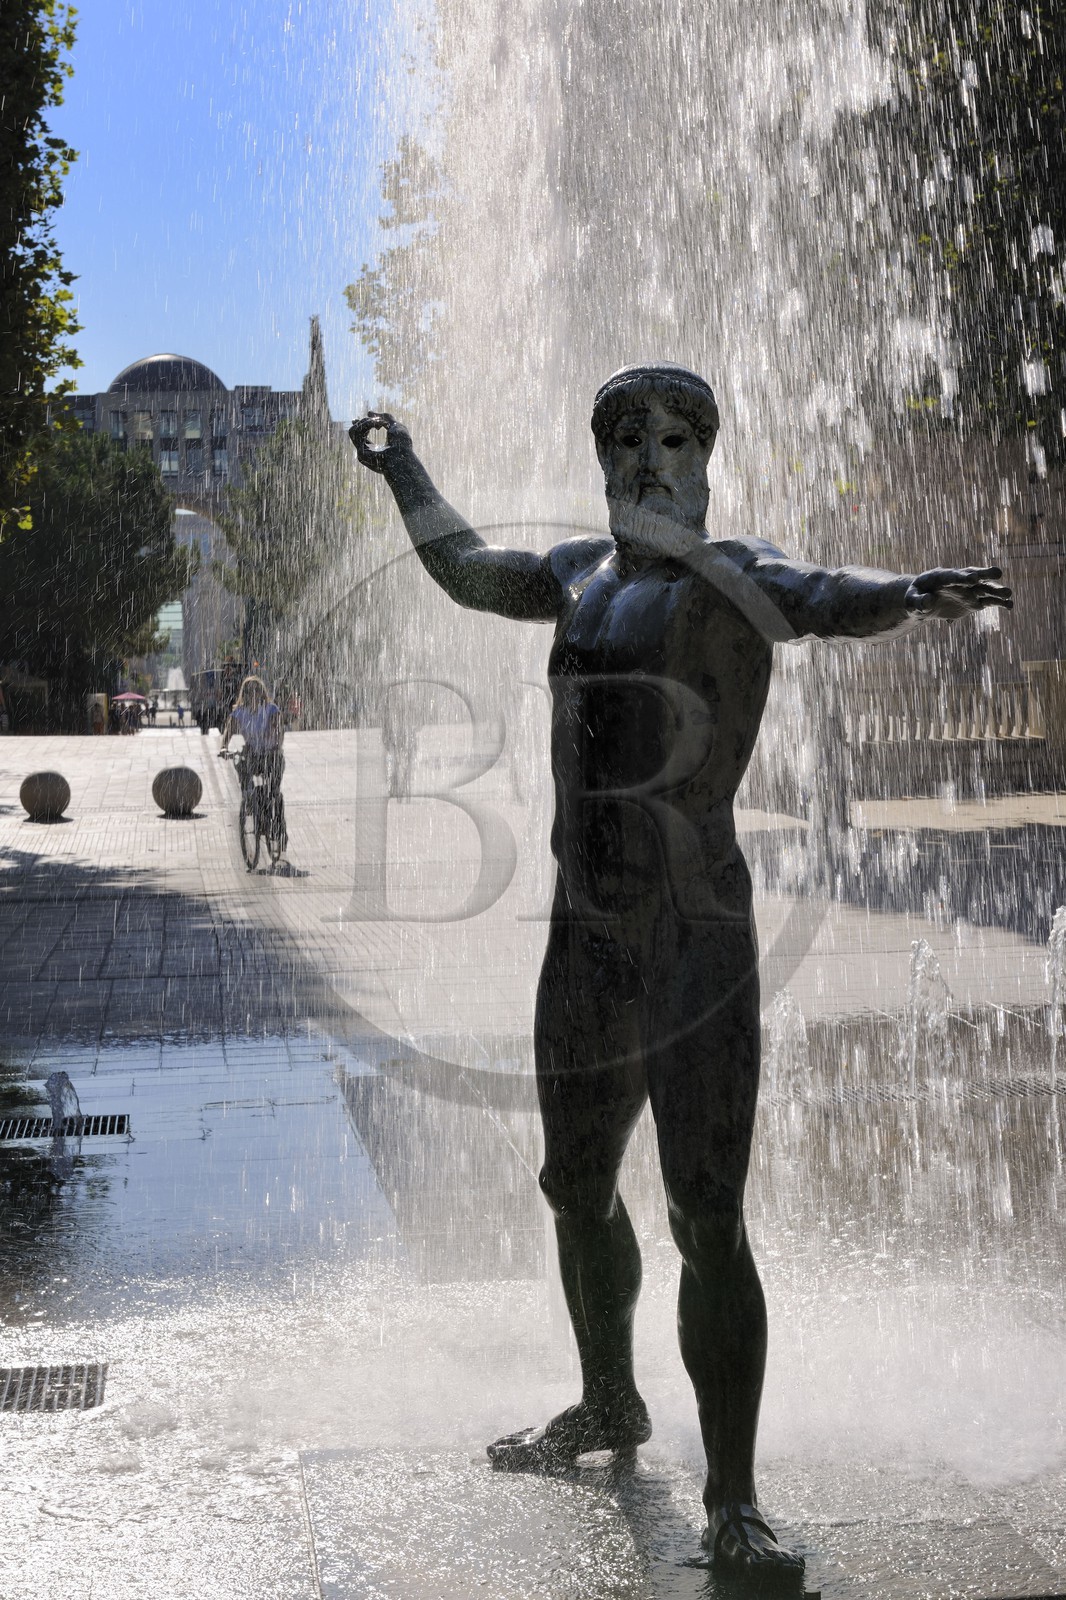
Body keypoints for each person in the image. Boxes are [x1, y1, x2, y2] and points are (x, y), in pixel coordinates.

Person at [350, 365, 1011, 1582]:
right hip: (583, 938)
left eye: (671, 440)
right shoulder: (573, 576)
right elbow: (465, 569)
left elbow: (824, 595)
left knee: (708, 1216)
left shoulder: (734, 573)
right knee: (572, 1184)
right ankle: (609, 1400)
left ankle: (736, 1495)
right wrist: (404, 473)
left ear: (704, 463)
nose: (647, 458)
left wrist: (911, 592)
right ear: (602, 463)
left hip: (694, 944)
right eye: (625, 441)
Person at [218, 675, 287, 856]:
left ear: (262, 692)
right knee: (240, 763)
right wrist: (224, 747)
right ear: (245, 694)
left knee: (273, 792)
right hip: (253, 754)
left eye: (256, 691)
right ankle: (249, 799)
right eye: (249, 692)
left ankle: (278, 825)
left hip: (272, 755)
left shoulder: (271, 709)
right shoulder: (240, 712)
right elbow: (230, 729)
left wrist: (275, 746)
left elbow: (279, 729)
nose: (253, 695)